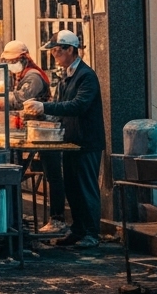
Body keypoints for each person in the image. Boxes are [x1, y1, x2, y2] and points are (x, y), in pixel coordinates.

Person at [23, 31, 105, 248]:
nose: (54, 55)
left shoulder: (86, 76)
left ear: (70, 49)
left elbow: (78, 105)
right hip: (69, 141)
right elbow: (60, 107)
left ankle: (91, 233)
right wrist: (40, 118)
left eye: (57, 50)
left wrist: (45, 106)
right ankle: (78, 230)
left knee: (86, 188)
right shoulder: (66, 77)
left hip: (86, 142)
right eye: (52, 51)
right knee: (72, 188)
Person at [1, 40, 60, 232]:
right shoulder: (21, 76)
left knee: (53, 175)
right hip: (34, 131)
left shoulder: (33, 76)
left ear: (24, 59)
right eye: (9, 61)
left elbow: (20, 100)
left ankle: (57, 218)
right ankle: (15, 219)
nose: (11, 65)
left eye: (14, 61)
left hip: (45, 132)